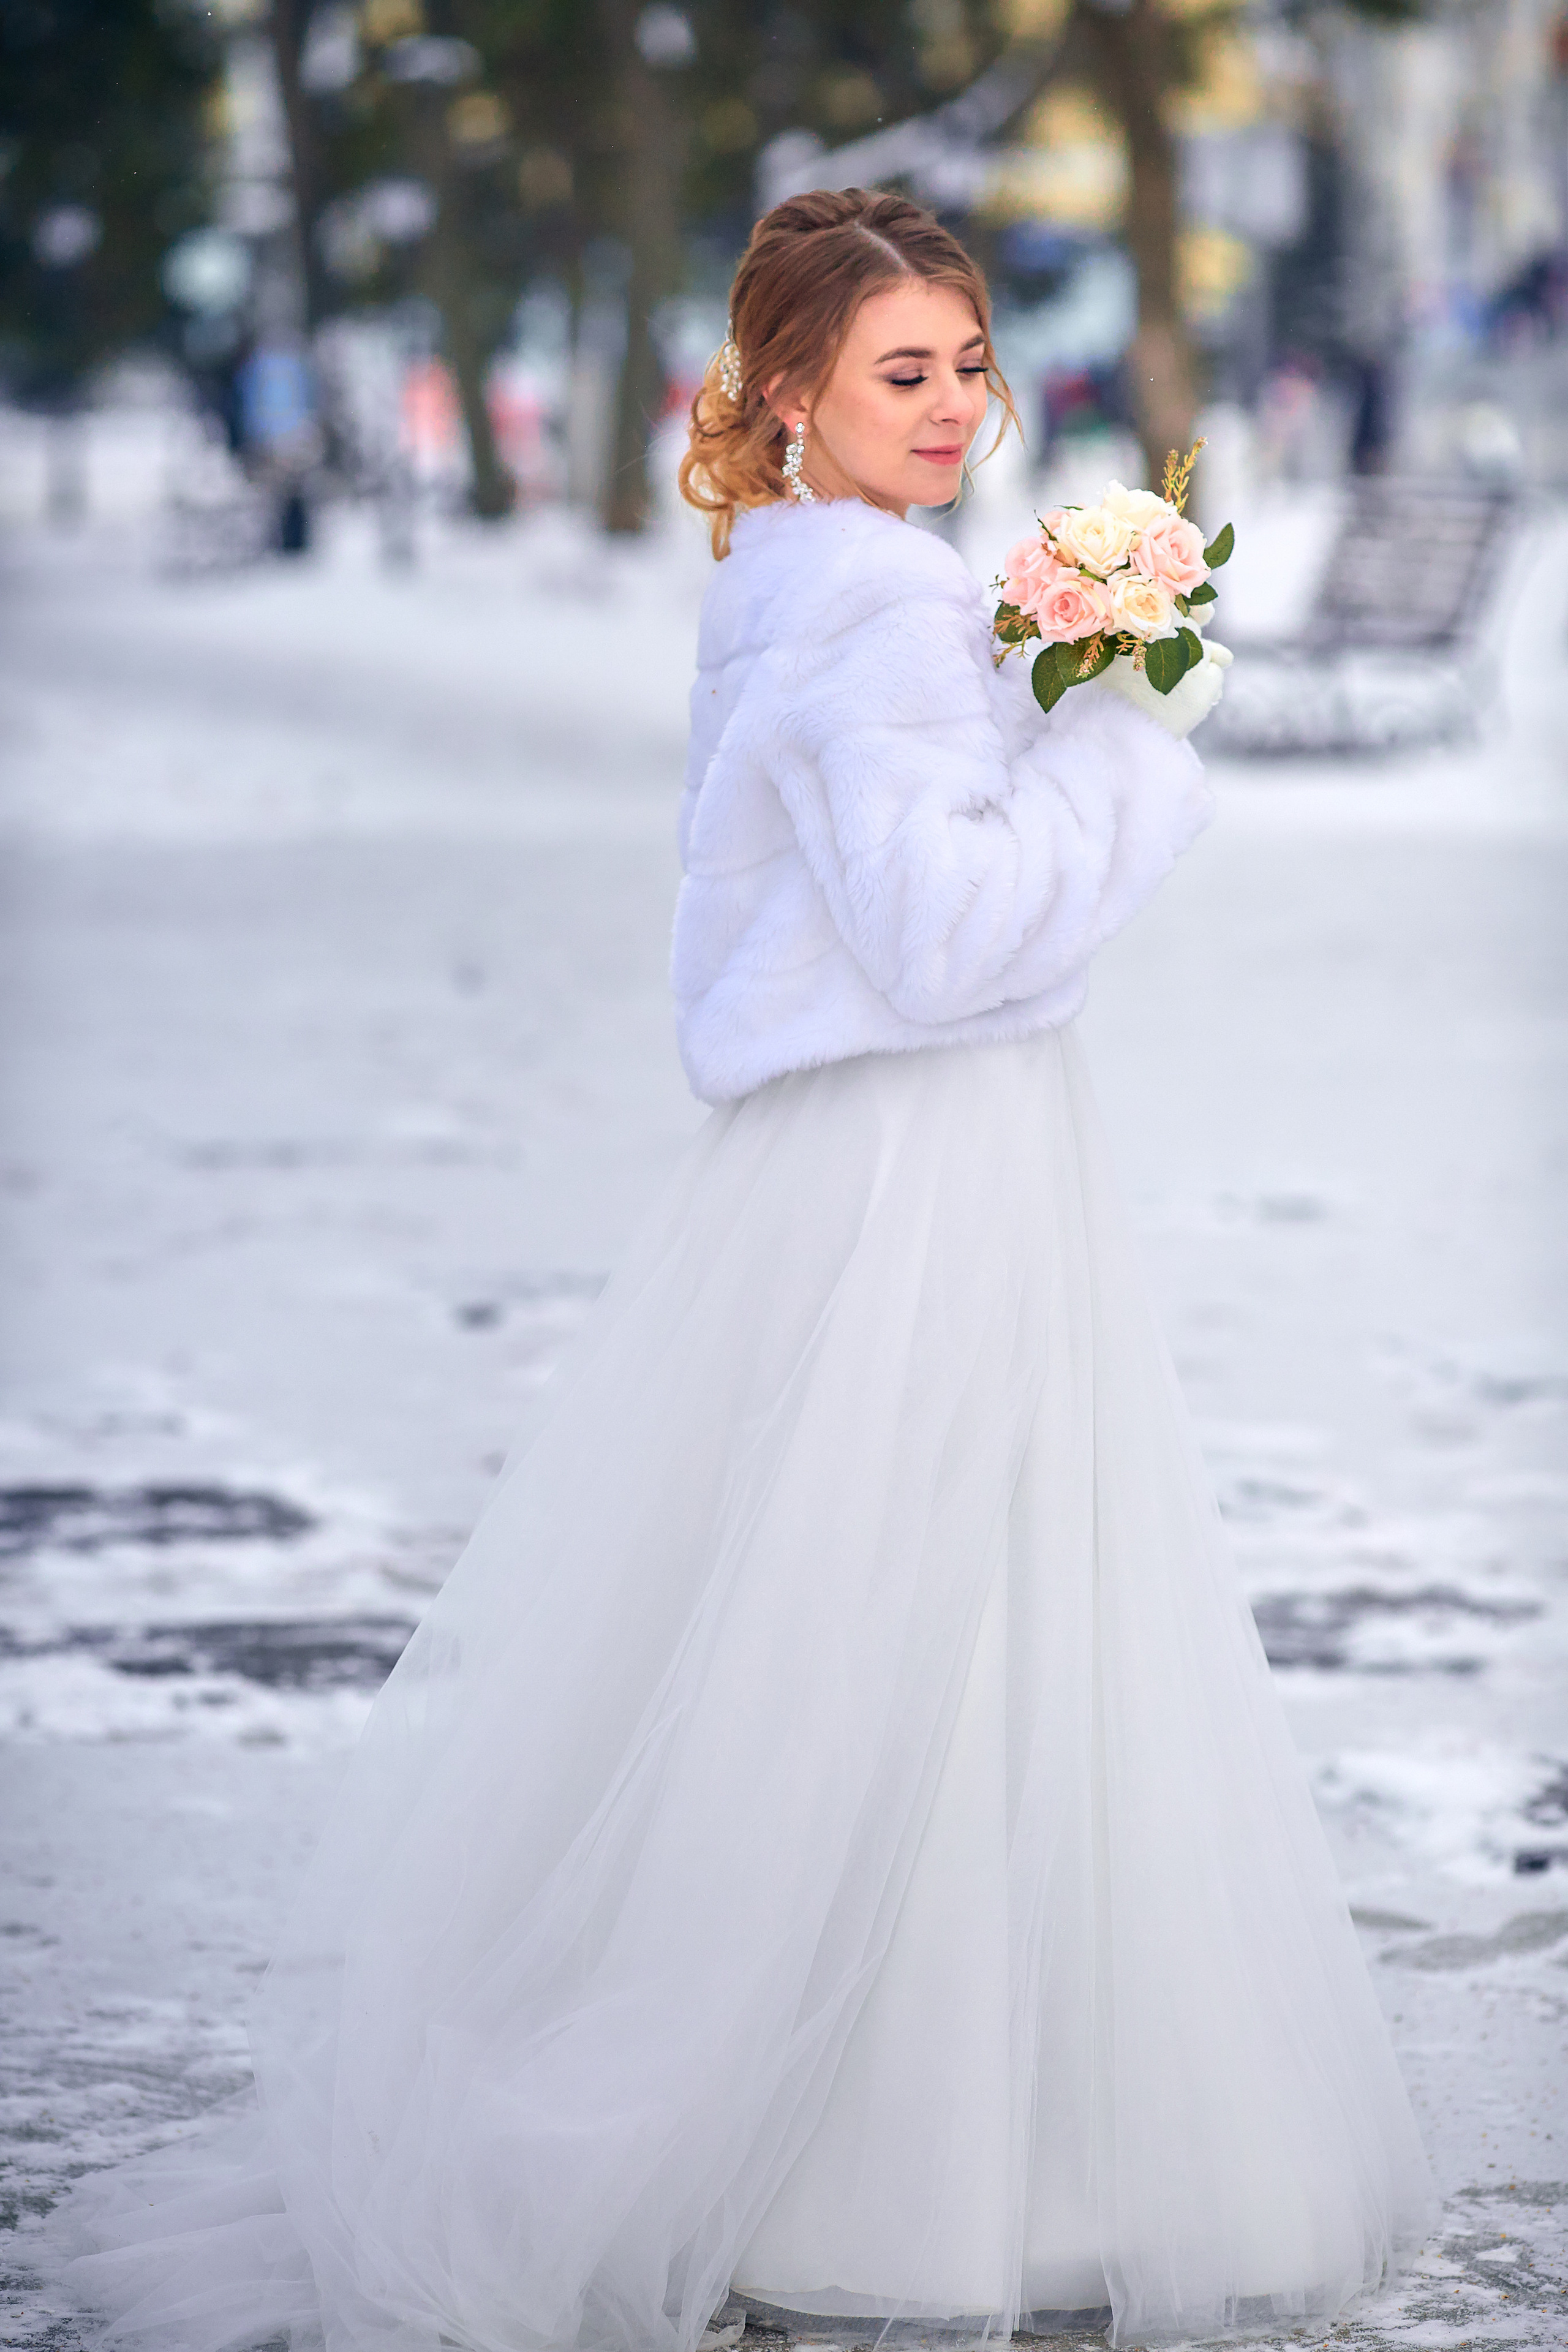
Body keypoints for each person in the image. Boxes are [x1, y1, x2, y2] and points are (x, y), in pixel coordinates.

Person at [52, 190, 1433, 2352]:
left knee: (873, 1626)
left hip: (886, 1152)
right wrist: (1118, 750)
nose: (955, 409)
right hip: (917, 1161)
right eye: (903, 373)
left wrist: (1049, 674)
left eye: (970, 365)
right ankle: (914, 2163)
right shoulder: (872, 611)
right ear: (787, 390)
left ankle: (911, 2137)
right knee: (925, 1625)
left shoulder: (814, 581)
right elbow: (943, 936)